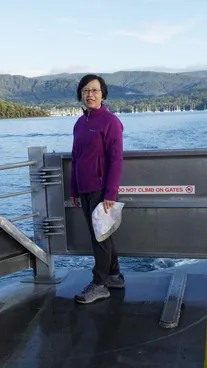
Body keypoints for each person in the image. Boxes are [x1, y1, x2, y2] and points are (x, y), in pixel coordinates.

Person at [69, 74, 124, 304]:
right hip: (84, 188)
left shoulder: (111, 122)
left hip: (102, 190)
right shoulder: (80, 123)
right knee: (101, 235)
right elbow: (75, 158)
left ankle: (100, 284)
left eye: (94, 90)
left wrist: (110, 193)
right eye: (85, 91)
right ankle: (114, 275)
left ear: (103, 94)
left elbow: (116, 159)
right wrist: (73, 189)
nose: (89, 94)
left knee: (99, 238)